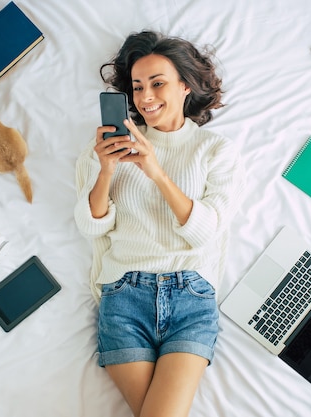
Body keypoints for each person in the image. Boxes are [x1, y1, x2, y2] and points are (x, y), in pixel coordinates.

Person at [74, 30, 244, 417]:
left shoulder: (216, 151)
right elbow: (91, 226)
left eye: (157, 83)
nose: (145, 98)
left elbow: (204, 232)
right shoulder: (104, 149)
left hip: (191, 298)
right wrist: (105, 170)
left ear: (185, 86)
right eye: (136, 87)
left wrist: (155, 170)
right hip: (124, 297)